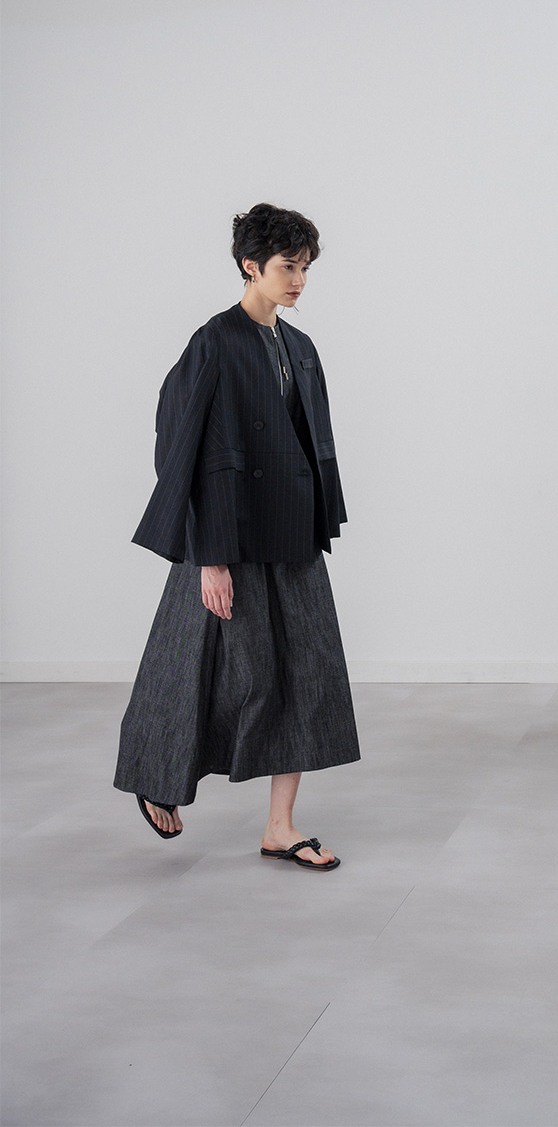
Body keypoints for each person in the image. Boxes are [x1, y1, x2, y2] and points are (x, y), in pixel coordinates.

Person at [115, 203, 360, 868]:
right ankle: (156, 776)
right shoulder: (214, 342)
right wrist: (210, 556)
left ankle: (280, 827)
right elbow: (183, 448)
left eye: (305, 268)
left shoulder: (300, 347)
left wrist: (320, 517)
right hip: (227, 533)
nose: (299, 280)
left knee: (306, 673)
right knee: (191, 669)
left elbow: (313, 443)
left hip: (291, 532)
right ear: (251, 265)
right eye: (288, 266)